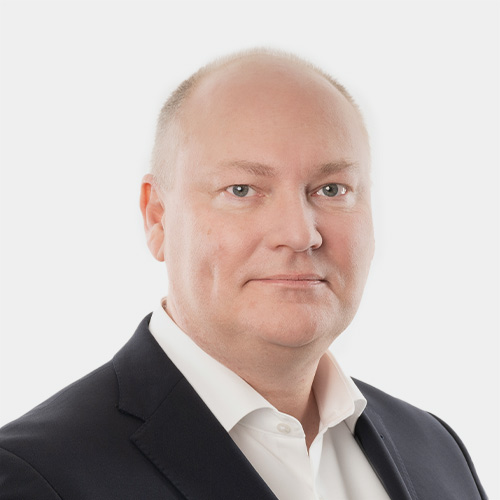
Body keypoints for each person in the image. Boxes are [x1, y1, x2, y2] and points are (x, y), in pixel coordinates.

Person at [0, 49, 487, 500]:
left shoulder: (436, 450)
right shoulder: (35, 476)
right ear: (157, 217)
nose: (299, 234)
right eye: (242, 189)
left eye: (332, 189)